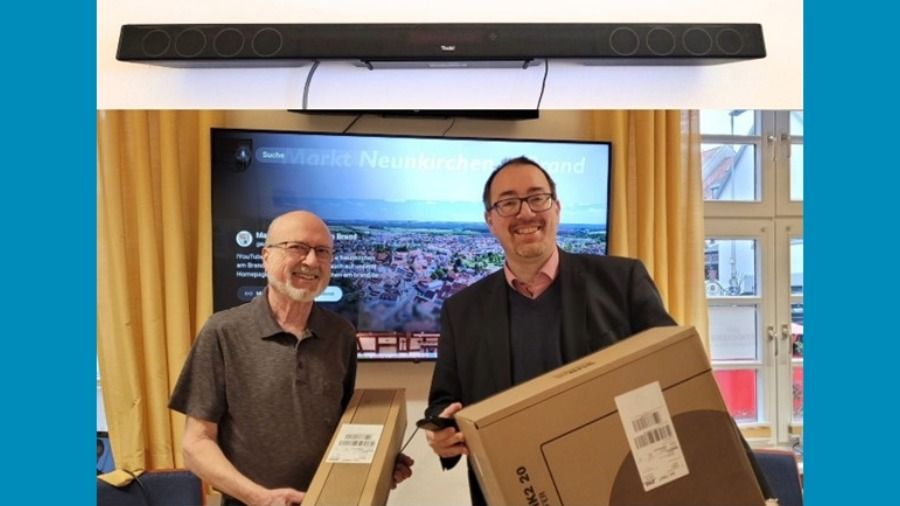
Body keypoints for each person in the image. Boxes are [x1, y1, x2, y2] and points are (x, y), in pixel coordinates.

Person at [424, 157, 677, 506]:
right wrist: (442, 433)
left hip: (618, 485)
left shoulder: (623, 281)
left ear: (556, 208)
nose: (525, 212)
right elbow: (443, 402)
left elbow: (674, 372)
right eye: (508, 203)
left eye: (537, 198)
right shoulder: (461, 311)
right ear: (490, 221)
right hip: (516, 489)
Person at [169, 210, 413, 506]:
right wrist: (260, 498)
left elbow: (341, 428)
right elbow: (195, 444)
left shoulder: (341, 334)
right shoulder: (223, 331)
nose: (311, 261)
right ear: (266, 256)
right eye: (297, 247)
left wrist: (379, 463)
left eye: (322, 251)